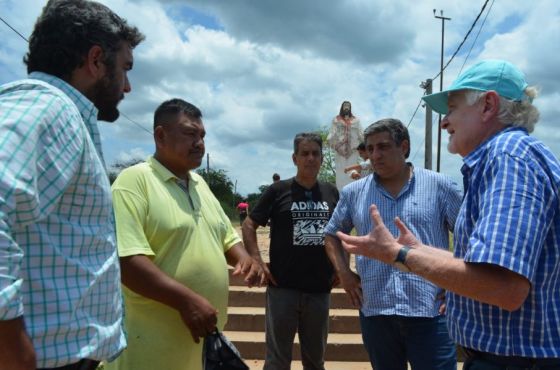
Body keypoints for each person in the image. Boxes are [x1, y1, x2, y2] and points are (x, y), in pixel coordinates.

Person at [337, 60, 560, 369]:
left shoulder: (508, 159)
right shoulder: (501, 160)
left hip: (515, 360)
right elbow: (488, 267)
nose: (444, 122)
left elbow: (504, 287)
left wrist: (400, 255)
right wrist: (419, 251)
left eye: (452, 108)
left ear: (488, 106)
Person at [0, 1, 144, 369]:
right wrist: (11, 348)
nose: (127, 86)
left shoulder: (62, 115)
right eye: (125, 68)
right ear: (96, 60)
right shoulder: (49, 108)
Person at [105, 99, 263, 370]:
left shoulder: (200, 184)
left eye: (202, 135)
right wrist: (185, 300)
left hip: (199, 349)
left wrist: (245, 260)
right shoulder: (134, 182)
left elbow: (226, 236)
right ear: (160, 135)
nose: (199, 142)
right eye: (190, 133)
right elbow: (127, 261)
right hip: (151, 350)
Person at [325, 118, 462, 370]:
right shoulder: (354, 193)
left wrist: (457, 282)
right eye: (370, 148)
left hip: (431, 311)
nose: (375, 155)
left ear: (404, 147)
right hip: (377, 310)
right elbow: (332, 234)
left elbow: (469, 236)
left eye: (384, 147)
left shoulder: (439, 186)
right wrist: (343, 273)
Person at [242, 132, 339, 370]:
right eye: (304, 153)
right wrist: (258, 261)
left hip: (319, 290)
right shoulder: (278, 191)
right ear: (294, 158)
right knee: (277, 361)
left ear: (322, 159)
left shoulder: (332, 193)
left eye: (316, 153)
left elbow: (341, 233)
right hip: (282, 289)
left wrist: (342, 267)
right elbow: (249, 225)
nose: (310, 158)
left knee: (315, 362)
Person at [327, 100, 364, 190]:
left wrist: (365, 146)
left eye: (348, 105)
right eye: (345, 105)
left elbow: (361, 135)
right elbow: (332, 134)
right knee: (340, 174)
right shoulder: (336, 120)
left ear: (350, 108)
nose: (346, 107)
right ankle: (340, 194)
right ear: (342, 107)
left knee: (352, 172)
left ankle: (352, 194)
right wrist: (333, 144)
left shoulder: (356, 120)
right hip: (340, 151)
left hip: (353, 151)